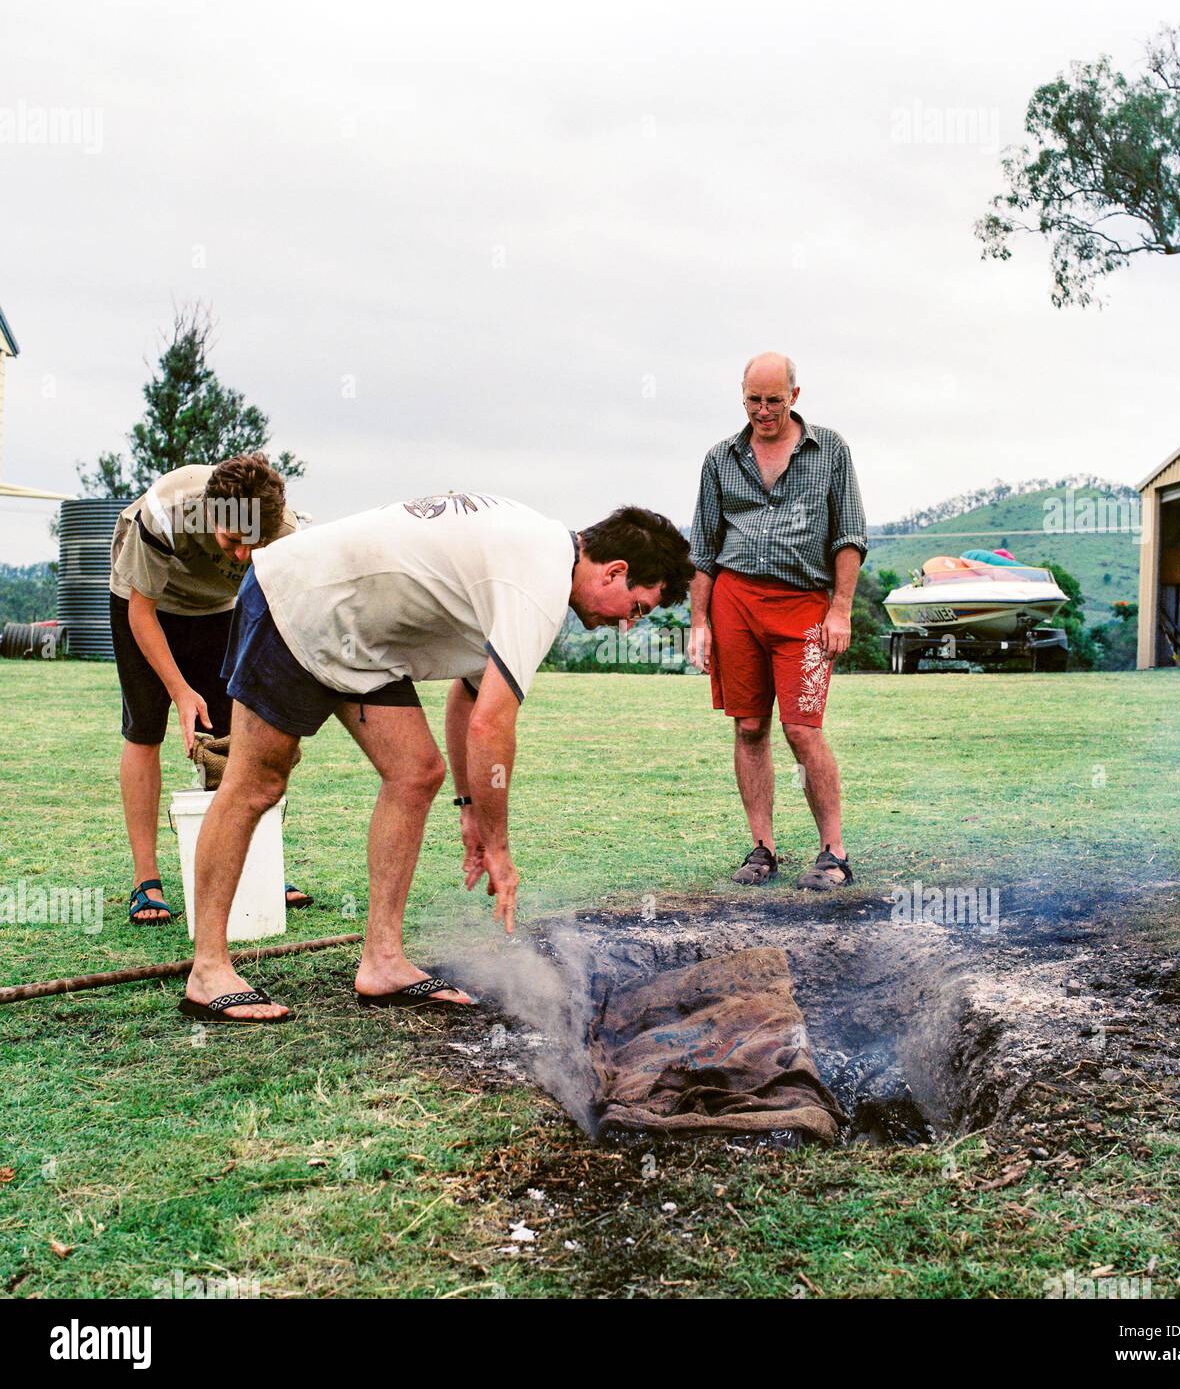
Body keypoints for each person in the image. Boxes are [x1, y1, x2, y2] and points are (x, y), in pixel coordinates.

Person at [180, 494, 693, 1023]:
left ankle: (382, 961)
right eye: (637, 608)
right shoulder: (538, 581)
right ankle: (208, 971)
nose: (628, 625)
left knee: (416, 773)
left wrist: (471, 808)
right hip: (298, 602)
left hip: (360, 636)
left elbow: (469, 696)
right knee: (255, 784)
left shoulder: (535, 556)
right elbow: (491, 725)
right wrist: (497, 846)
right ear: (615, 572)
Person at [688, 352, 868, 890]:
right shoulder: (720, 458)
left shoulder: (830, 449)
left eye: (774, 400)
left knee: (802, 729)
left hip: (804, 604)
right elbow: (703, 547)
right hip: (735, 599)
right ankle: (762, 847)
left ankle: (833, 853)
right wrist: (700, 621)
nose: (763, 411)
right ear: (742, 397)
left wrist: (841, 609)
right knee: (749, 726)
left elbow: (849, 535)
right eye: (753, 400)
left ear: (795, 395)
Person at [108, 455, 310, 923]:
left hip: (218, 606)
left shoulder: (286, 533)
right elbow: (142, 613)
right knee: (145, 729)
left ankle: (255, 866)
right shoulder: (166, 510)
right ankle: (146, 880)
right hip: (144, 602)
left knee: (237, 738)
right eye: (233, 540)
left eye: (252, 544)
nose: (242, 554)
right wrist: (179, 691)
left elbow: (280, 614)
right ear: (211, 514)